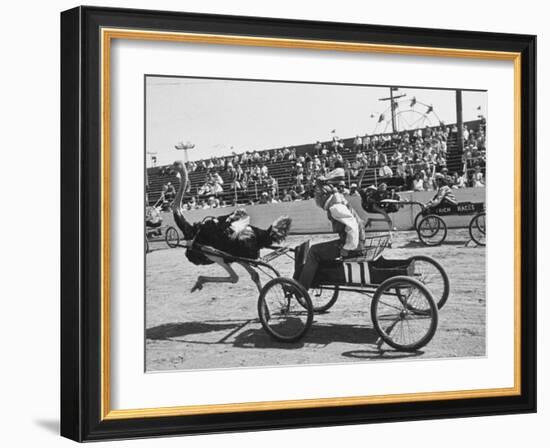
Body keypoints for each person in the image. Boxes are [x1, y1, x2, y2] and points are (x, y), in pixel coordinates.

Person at [296, 181, 365, 291]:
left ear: (324, 196)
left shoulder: (335, 207)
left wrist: (347, 248)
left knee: (314, 251)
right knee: (320, 249)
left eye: (317, 197)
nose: (316, 200)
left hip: (354, 244)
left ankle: (301, 289)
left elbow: (353, 227)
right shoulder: (336, 199)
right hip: (356, 241)